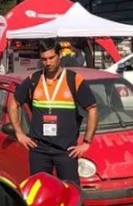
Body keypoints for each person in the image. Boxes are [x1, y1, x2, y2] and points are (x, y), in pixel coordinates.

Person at [7, 40, 98, 184]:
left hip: (66, 150)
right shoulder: (33, 80)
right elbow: (14, 103)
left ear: (59, 55)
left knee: (71, 193)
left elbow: (92, 109)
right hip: (39, 150)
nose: (48, 63)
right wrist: (19, 133)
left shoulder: (73, 80)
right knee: (38, 191)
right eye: (44, 59)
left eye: (51, 58)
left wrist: (86, 142)